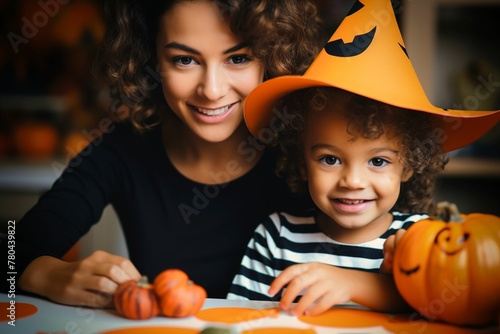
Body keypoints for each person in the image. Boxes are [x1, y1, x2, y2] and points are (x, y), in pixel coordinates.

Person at [1, 0, 326, 308]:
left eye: (237, 58)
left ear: (271, 57)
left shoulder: (311, 150)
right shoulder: (124, 149)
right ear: (150, 58)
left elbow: (375, 261)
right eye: (184, 60)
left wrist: (362, 284)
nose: (212, 90)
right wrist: (47, 274)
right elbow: (13, 247)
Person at [228, 0, 500, 316]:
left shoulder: (420, 240)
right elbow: (237, 318)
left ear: (409, 164)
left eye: (378, 161)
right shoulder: (276, 238)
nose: (353, 181)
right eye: (329, 159)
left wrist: (355, 284)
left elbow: (452, 308)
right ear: (301, 162)